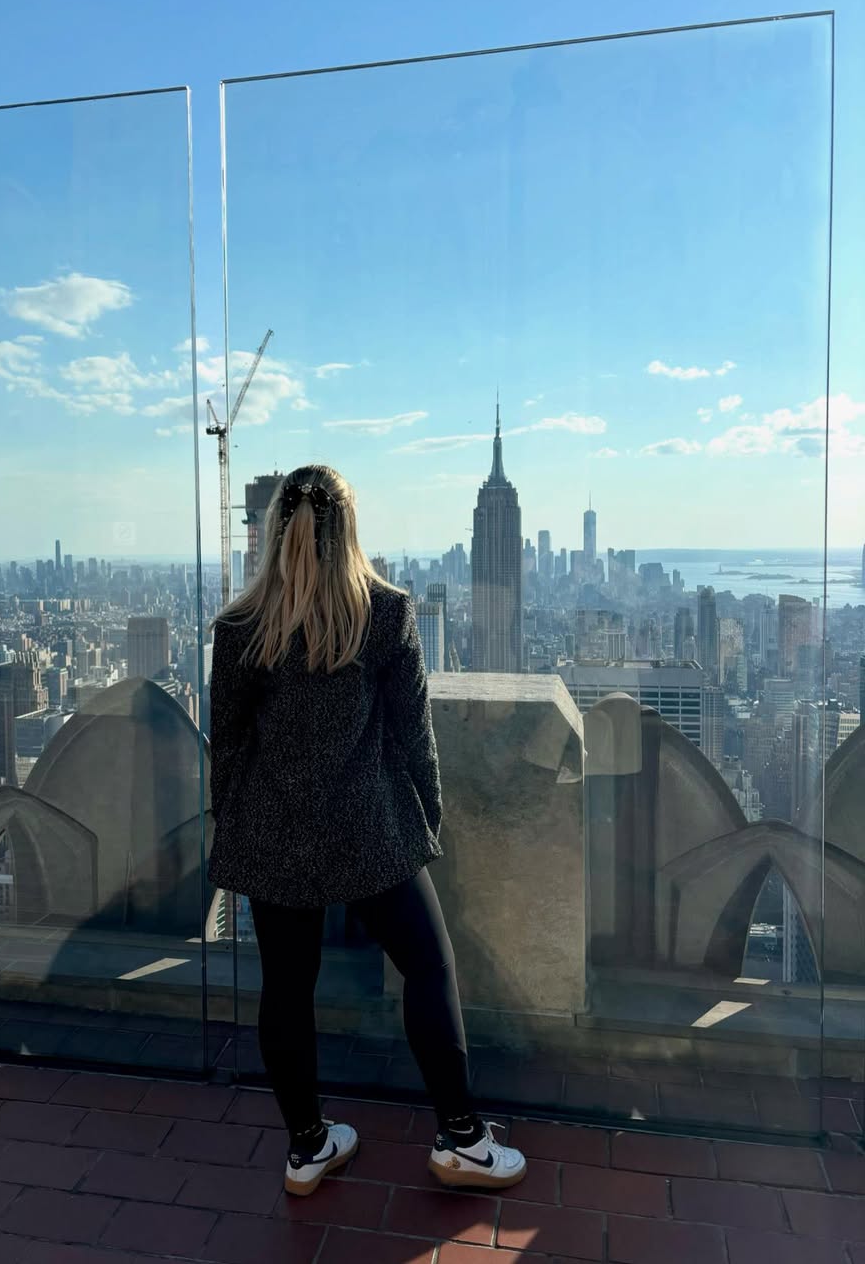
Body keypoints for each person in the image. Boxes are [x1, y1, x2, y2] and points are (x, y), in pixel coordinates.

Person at [208, 463, 526, 1197]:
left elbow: (228, 747)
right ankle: (462, 1139)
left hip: (272, 830)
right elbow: (416, 737)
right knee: (429, 967)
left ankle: (307, 1146)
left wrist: (237, 827)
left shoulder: (240, 627)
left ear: (274, 530)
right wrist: (427, 819)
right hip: (368, 829)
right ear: (349, 528)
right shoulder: (385, 612)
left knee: (286, 989)